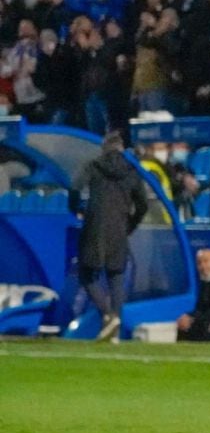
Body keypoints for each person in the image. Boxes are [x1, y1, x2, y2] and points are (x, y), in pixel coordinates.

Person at [71, 130, 148, 341]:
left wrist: (76, 209)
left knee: (87, 275)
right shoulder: (132, 171)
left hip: (95, 225)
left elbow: (75, 187)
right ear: (122, 148)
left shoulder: (94, 166)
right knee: (116, 276)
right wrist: (129, 225)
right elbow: (143, 204)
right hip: (119, 227)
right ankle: (114, 331)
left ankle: (107, 315)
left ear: (104, 147)